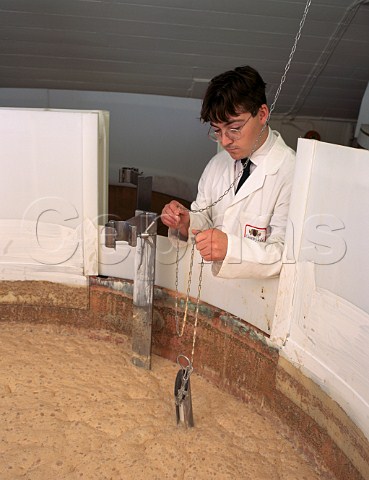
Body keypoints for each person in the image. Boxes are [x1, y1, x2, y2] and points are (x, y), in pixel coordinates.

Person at [161, 65, 296, 279]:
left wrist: (230, 249)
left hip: (261, 299)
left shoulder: (291, 172)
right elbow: (204, 216)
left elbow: (285, 255)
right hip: (216, 291)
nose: (224, 141)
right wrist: (186, 222)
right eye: (217, 130)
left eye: (234, 128)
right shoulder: (217, 164)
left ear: (262, 114)